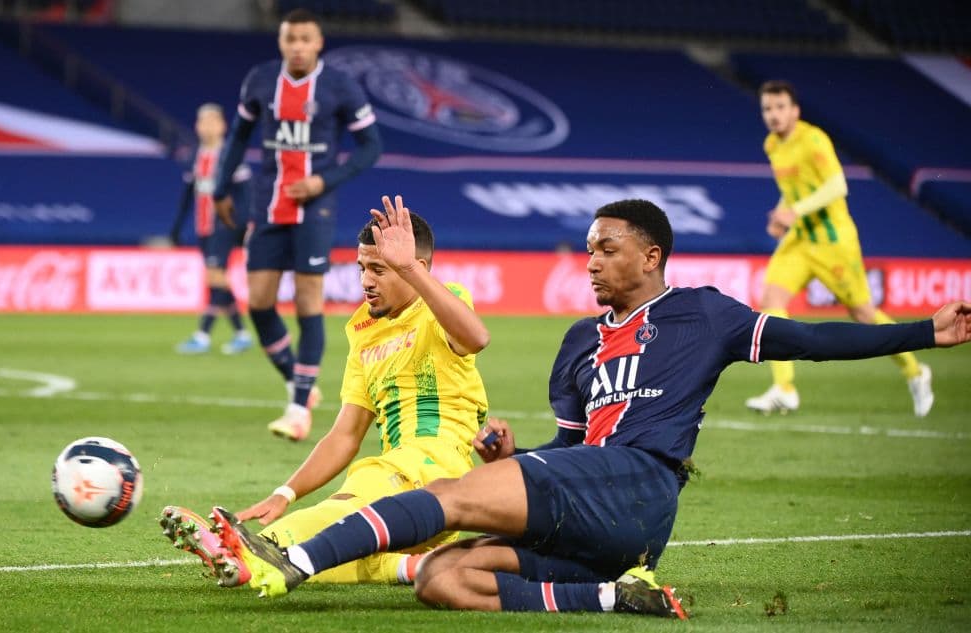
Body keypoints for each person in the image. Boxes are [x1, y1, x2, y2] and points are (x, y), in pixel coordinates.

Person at [204, 198, 969, 619]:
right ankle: (613, 594)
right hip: (594, 509)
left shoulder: (706, 314)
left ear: (651, 256)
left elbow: (811, 339)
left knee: (442, 500)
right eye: (590, 248)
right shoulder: (578, 343)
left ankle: (296, 560)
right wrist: (512, 454)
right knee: (441, 576)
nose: (592, 260)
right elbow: (567, 445)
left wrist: (927, 331)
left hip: (640, 482)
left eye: (606, 247)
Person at [161, 195, 491, 586]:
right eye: (361, 268)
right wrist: (286, 493)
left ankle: (254, 546)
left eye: (380, 270)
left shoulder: (442, 304)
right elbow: (345, 435)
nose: (366, 280)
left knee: (348, 511)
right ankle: (417, 566)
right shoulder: (364, 332)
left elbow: (476, 337)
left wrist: (410, 271)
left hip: (431, 468)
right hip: (408, 497)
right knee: (357, 548)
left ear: (414, 268)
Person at [211, 8, 383, 440]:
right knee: (259, 302)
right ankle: (298, 381)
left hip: (315, 209)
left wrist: (325, 179)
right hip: (267, 206)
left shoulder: (340, 87)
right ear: (281, 42)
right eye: (291, 39)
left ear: (319, 42)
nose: (298, 47)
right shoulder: (260, 81)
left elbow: (371, 146)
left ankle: (298, 407)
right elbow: (237, 136)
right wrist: (218, 189)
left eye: (306, 39)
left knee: (308, 301)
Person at [746, 80, 933, 417]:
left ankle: (916, 372)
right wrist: (782, 213)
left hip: (834, 243)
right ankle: (785, 389)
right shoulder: (772, 144)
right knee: (771, 300)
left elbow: (837, 185)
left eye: (779, 107)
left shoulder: (813, 139)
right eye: (767, 108)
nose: (773, 115)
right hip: (800, 241)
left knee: (863, 314)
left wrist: (796, 211)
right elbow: (794, 188)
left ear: (794, 110)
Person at [170, 103, 254, 355]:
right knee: (216, 279)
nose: (205, 127)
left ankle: (203, 334)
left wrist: (240, 224)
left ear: (221, 126)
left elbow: (245, 192)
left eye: (211, 122)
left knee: (215, 275)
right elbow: (188, 193)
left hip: (224, 224)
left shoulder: (230, 154)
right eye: (201, 122)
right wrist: (176, 227)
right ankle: (241, 333)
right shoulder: (195, 155)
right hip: (203, 226)